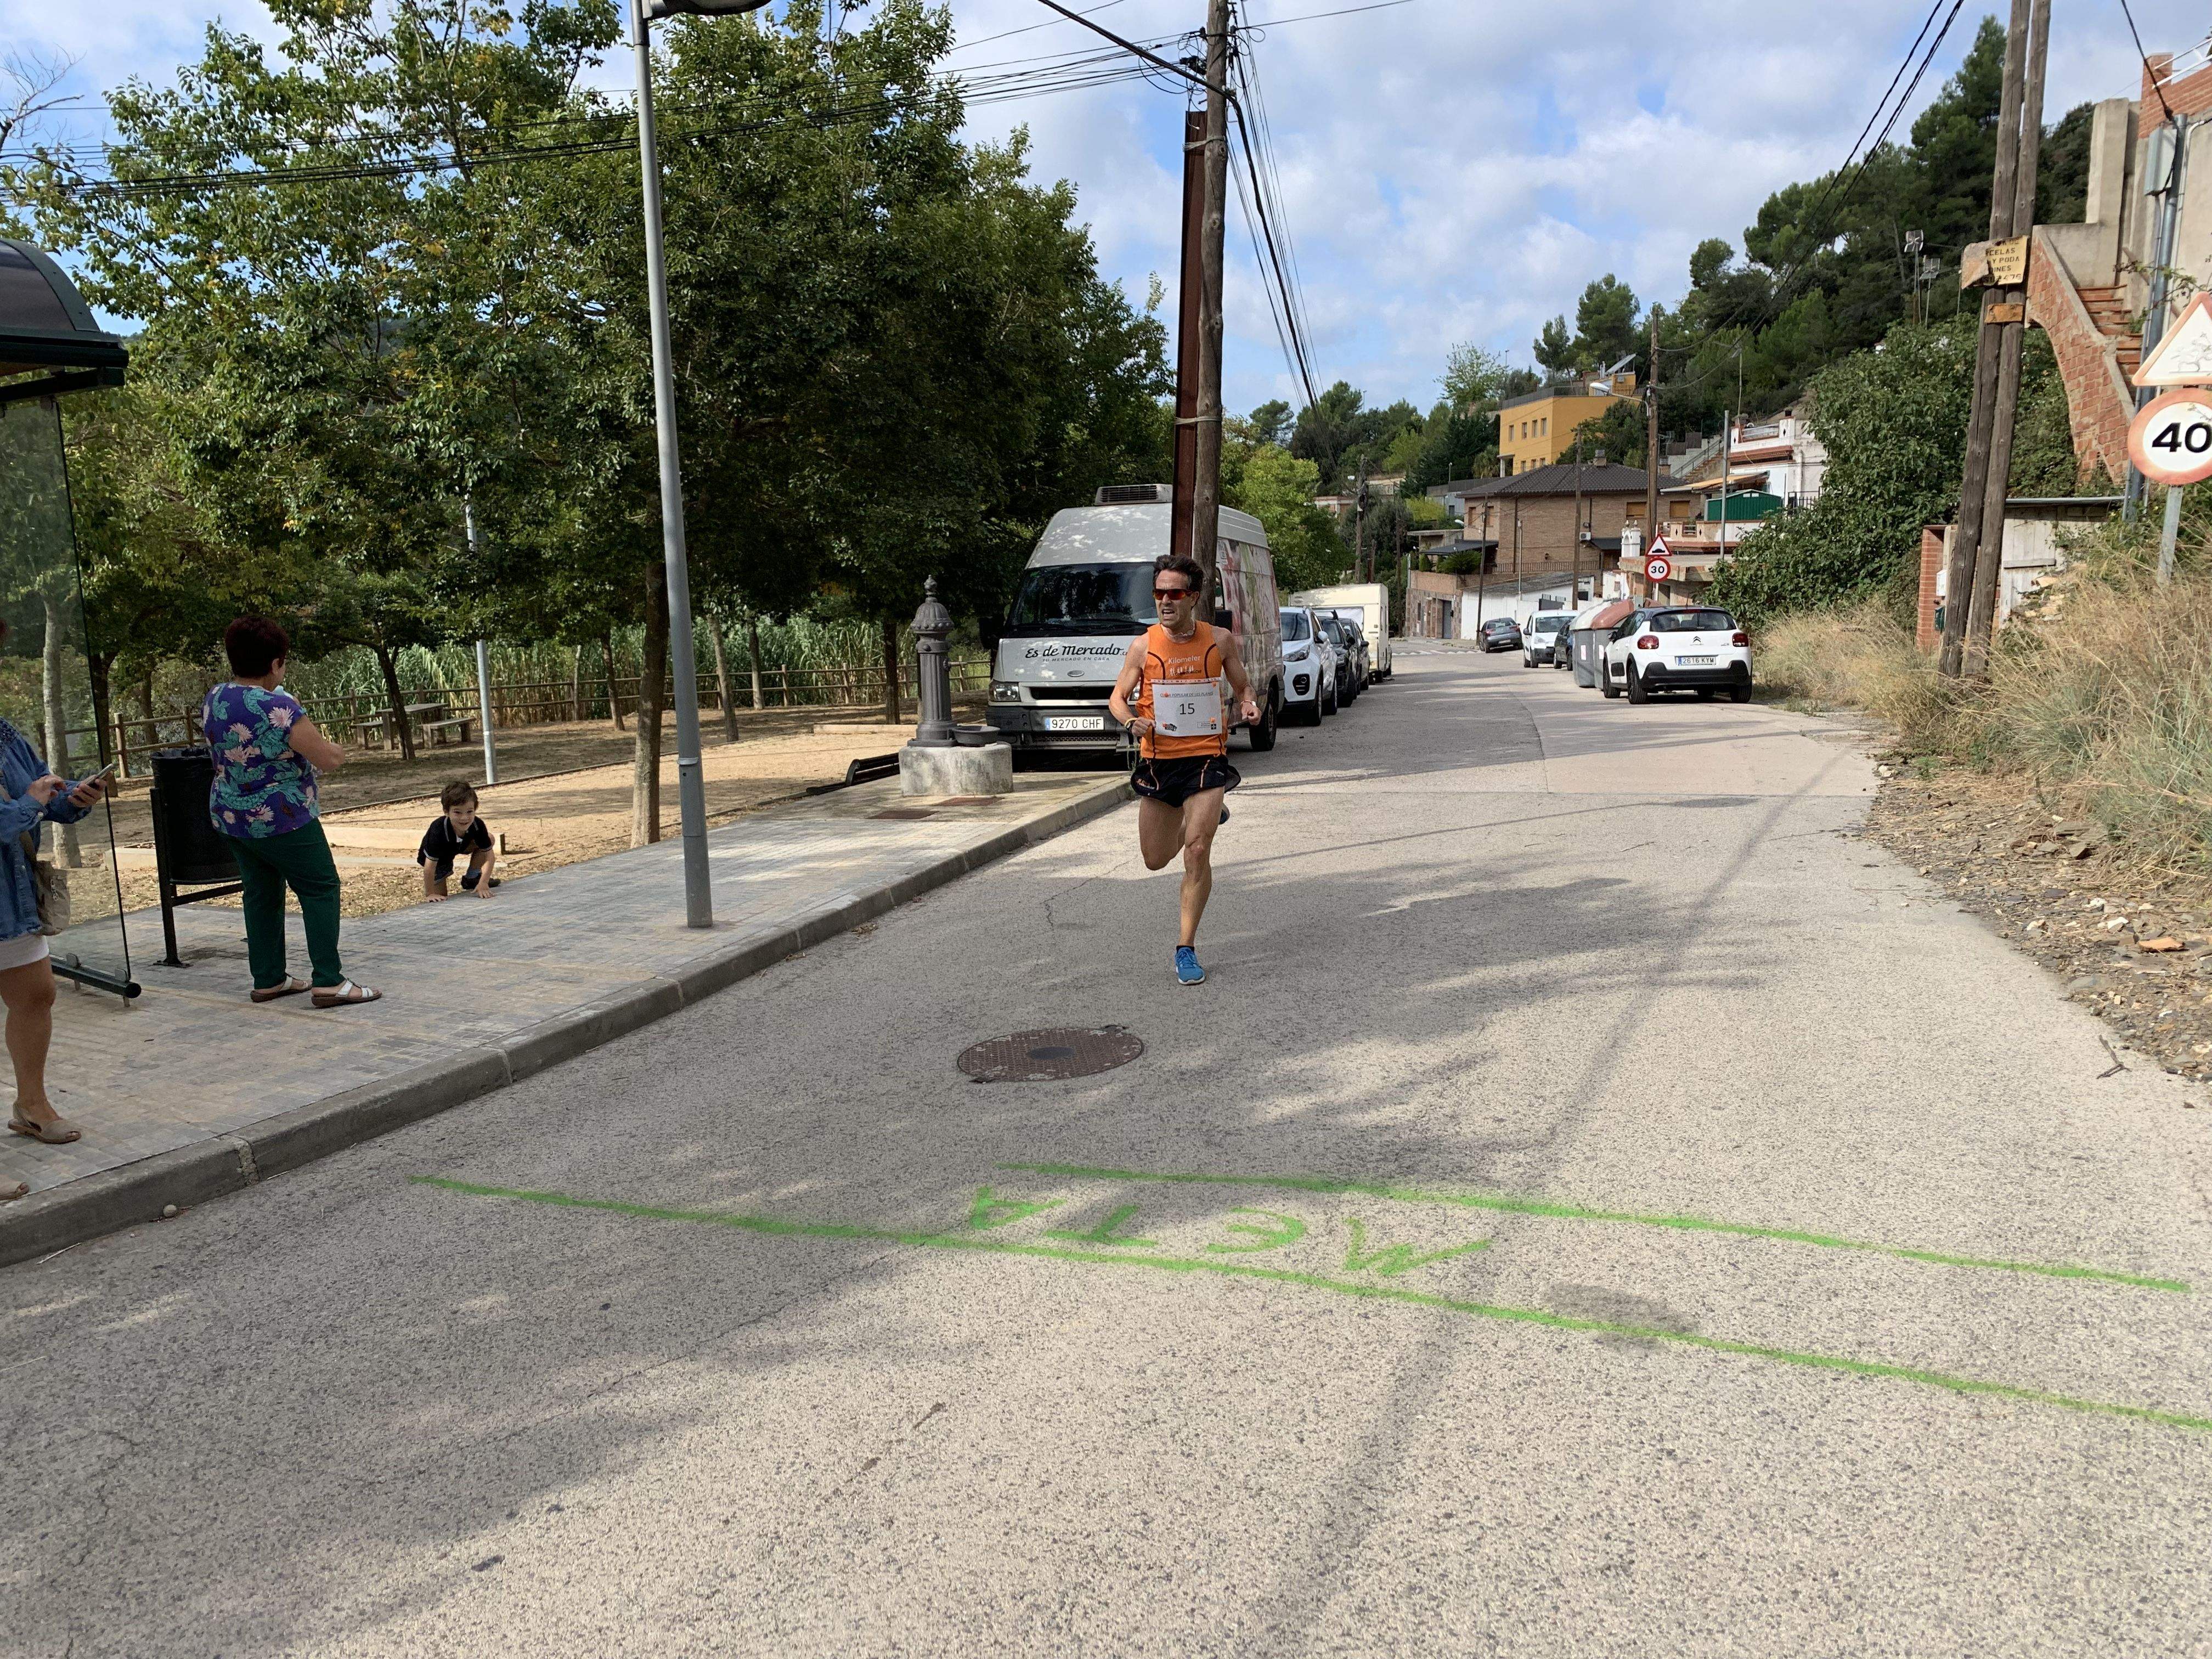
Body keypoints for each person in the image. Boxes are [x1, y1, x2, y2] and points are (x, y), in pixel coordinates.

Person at [204, 617, 380, 1008]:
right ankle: (329, 981)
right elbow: (329, 758)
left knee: (261, 892)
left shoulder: (215, 697)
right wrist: (333, 741)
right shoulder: (279, 706)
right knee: (320, 887)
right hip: (282, 815)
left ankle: (269, 979)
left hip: (231, 815)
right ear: (276, 663)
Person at [1107, 554, 1260, 987]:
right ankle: (1202, 819)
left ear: (1193, 597)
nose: (1166, 601)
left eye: (1175, 593)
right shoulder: (1144, 645)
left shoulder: (1219, 640)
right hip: (1159, 761)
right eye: (1159, 593)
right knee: (1155, 860)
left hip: (1207, 758)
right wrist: (1130, 720)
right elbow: (1118, 697)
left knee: (1196, 850)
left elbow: (1243, 684)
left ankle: (1186, 948)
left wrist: (1248, 702)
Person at [0, 661, 106, 1194]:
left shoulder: (5, 733)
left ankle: (31, 1105)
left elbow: (45, 796)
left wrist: (72, 799)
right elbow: (19, 809)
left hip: (13, 897)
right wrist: (30, 804)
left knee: (36, 995)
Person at [419, 780, 499, 901]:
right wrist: (430, 894)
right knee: (440, 899)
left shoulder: (477, 824)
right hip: (439, 860)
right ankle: (435, 888)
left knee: (489, 839)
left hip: (461, 845)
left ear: (475, 809)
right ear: (447, 812)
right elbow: (429, 867)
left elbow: (490, 856)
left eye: (469, 811)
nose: (464, 818)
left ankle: (472, 878)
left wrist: (484, 882)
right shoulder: (438, 830)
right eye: (457, 812)